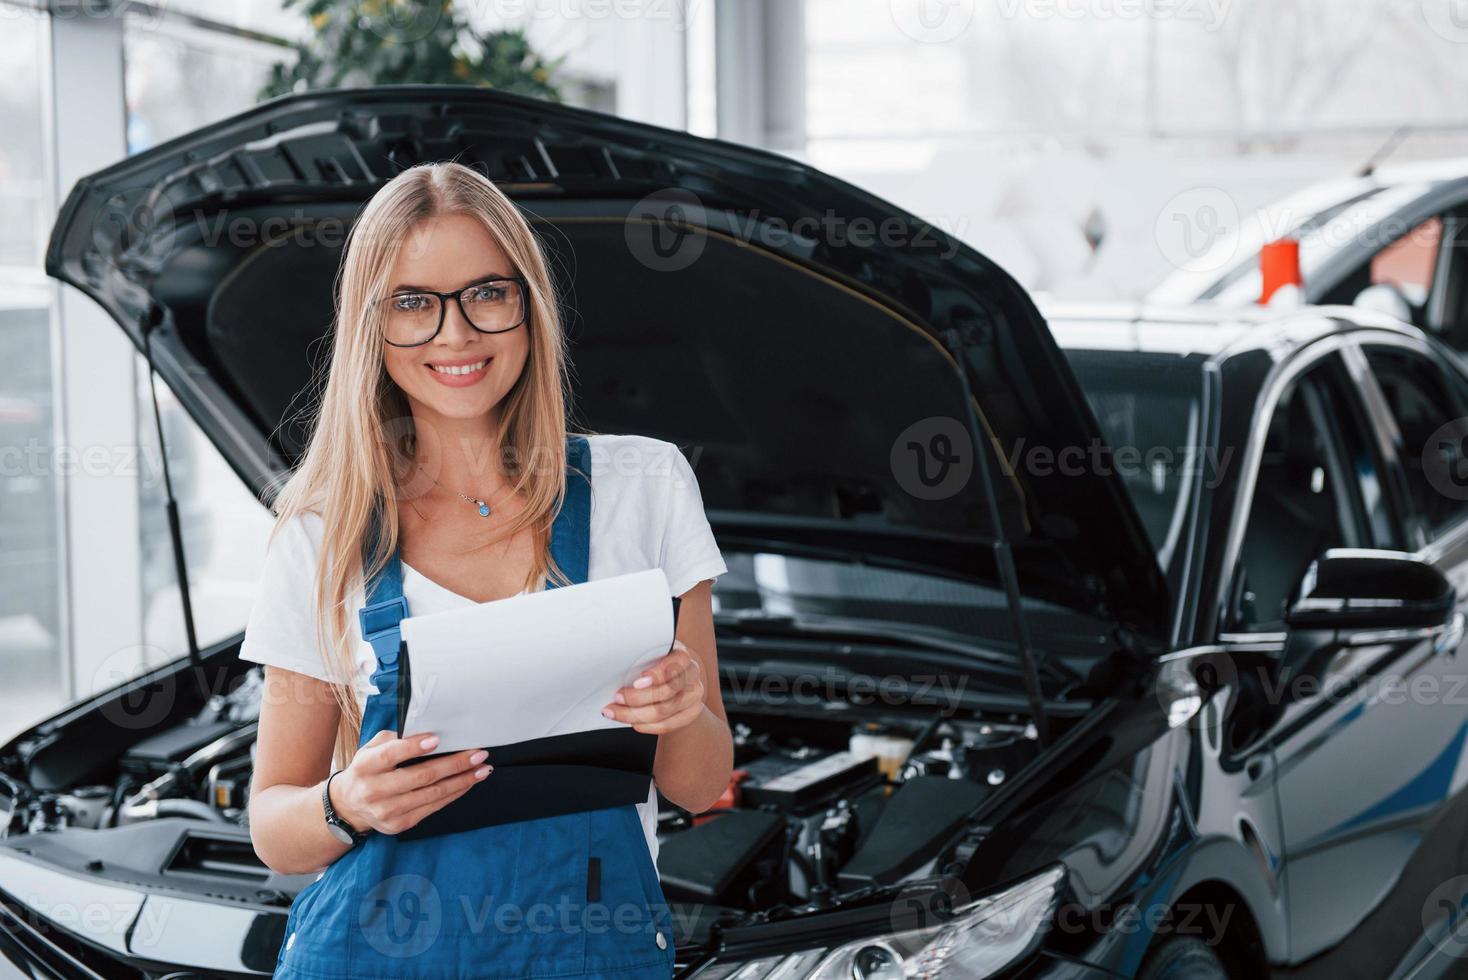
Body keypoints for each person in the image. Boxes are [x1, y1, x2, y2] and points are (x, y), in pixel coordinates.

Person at [238, 160, 733, 978]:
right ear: (373, 326)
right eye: (412, 303)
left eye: (487, 293)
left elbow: (701, 782)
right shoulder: (320, 535)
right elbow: (273, 823)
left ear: (529, 308)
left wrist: (679, 710)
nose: (455, 334)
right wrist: (346, 802)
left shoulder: (645, 487)